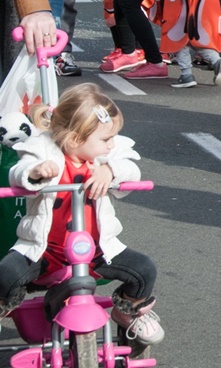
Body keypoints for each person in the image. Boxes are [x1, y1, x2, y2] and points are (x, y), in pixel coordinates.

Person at [1, 84, 164, 346]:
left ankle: (128, 311)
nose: (111, 144)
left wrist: (111, 171)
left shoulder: (105, 157)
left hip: (96, 250)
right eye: (106, 139)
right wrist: (35, 172)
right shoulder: (42, 148)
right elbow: (19, 172)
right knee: (6, 272)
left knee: (144, 269)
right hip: (44, 252)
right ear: (76, 139)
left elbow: (131, 166)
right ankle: (3, 305)